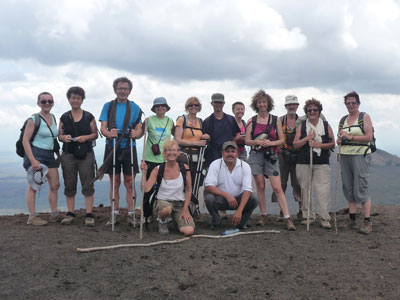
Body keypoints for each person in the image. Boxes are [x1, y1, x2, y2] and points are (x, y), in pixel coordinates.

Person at [245, 90, 296, 231]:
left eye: (264, 102)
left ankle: (287, 217)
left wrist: (271, 143)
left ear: (268, 104)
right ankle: (263, 215)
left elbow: (281, 139)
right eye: (259, 102)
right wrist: (257, 141)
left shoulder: (275, 120)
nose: (262, 105)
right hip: (256, 155)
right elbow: (247, 141)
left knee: (277, 188)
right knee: (260, 186)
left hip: (271, 155)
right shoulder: (252, 121)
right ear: (256, 104)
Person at [99, 77, 143, 226]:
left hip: (129, 147)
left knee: (130, 182)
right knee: (114, 182)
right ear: (115, 90)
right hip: (112, 147)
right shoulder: (108, 106)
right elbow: (103, 128)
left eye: (125, 88)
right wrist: (108, 133)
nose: (122, 91)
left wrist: (136, 134)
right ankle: (114, 213)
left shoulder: (135, 107)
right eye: (120, 88)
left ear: (129, 90)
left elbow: (139, 127)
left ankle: (131, 214)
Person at [58, 87, 98, 226]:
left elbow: (95, 134)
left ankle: (89, 214)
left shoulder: (88, 116)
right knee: (69, 183)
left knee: (88, 183)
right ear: (69, 99)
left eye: (78, 98)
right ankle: (70, 213)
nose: (75, 100)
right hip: (68, 153)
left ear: (82, 100)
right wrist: (64, 138)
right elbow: (59, 135)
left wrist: (85, 137)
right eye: (73, 97)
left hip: (85, 154)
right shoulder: (64, 117)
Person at [293, 98, 334, 229]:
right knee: (305, 189)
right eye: (309, 110)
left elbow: (332, 143)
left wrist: (318, 145)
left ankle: (324, 217)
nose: (312, 112)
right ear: (306, 112)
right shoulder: (302, 126)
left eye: (315, 110)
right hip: (303, 162)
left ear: (319, 111)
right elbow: (295, 144)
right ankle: (308, 216)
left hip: (322, 162)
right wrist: (307, 138)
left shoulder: (326, 125)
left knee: (323, 190)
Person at [337, 91, 374, 234]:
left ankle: (367, 221)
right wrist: (340, 140)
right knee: (348, 186)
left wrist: (350, 137)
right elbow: (340, 138)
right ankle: (352, 219)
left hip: (360, 156)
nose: (351, 105)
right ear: (345, 105)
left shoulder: (364, 117)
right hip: (345, 155)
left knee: (361, 185)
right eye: (348, 103)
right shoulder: (343, 120)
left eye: (353, 102)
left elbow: (369, 137)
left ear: (358, 103)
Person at [22, 92, 61, 225]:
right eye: (43, 101)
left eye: (50, 101)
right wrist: (32, 160)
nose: (47, 103)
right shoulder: (33, 119)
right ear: (38, 103)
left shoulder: (53, 117)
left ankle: (54, 213)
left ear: (53, 103)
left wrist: (58, 156)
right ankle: (32, 217)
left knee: (55, 185)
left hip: (49, 155)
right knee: (34, 185)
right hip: (36, 153)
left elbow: (53, 138)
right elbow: (25, 141)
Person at [143, 139, 194, 236]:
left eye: (174, 150)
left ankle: (175, 220)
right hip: (163, 202)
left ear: (178, 153)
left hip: (180, 204)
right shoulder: (158, 169)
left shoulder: (184, 168)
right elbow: (146, 189)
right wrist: (144, 173)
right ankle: (162, 221)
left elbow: (188, 189)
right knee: (166, 209)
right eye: (168, 150)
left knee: (189, 231)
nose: (171, 153)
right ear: (164, 153)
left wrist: (185, 209)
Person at [204, 141, 258, 230]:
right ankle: (216, 220)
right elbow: (209, 186)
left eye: (233, 151)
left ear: (237, 153)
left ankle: (242, 220)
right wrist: (227, 195)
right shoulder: (215, 164)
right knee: (209, 197)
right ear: (222, 153)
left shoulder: (245, 166)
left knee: (254, 198)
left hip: (238, 200)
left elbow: (247, 190)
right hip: (221, 199)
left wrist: (239, 211)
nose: (230, 154)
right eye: (227, 151)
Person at [141, 97, 174, 221]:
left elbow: (176, 135)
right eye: (158, 106)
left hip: (165, 160)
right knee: (148, 190)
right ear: (154, 108)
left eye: (162, 106)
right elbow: (140, 134)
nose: (160, 108)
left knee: (164, 189)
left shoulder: (170, 121)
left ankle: (163, 214)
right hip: (150, 159)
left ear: (166, 108)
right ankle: (147, 214)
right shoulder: (149, 120)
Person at [271, 95, 302, 221]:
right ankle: (282, 211)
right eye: (289, 105)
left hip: (298, 156)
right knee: (281, 183)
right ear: (285, 106)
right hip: (282, 155)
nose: (292, 107)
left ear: (297, 106)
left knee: (298, 183)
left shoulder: (302, 121)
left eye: (294, 104)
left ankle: (301, 210)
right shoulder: (279, 121)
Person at [175, 97, 207, 187]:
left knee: (197, 181)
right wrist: (196, 143)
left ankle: (193, 200)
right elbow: (178, 139)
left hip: (198, 157)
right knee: (184, 181)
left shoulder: (200, 121)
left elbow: (204, 138)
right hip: (184, 155)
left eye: (196, 105)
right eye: (191, 105)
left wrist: (207, 137)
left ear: (199, 107)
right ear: (187, 107)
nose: (193, 107)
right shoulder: (182, 120)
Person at [202, 93, 240, 168]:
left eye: (220, 102)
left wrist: (232, 149)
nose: (218, 104)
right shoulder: (207, 121)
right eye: (216, 102)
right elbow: (204, 140)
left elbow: (236, 135)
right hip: (212, 157)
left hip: (229, 156)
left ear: (224, 103)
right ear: (212, 103)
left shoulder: (231, 119)